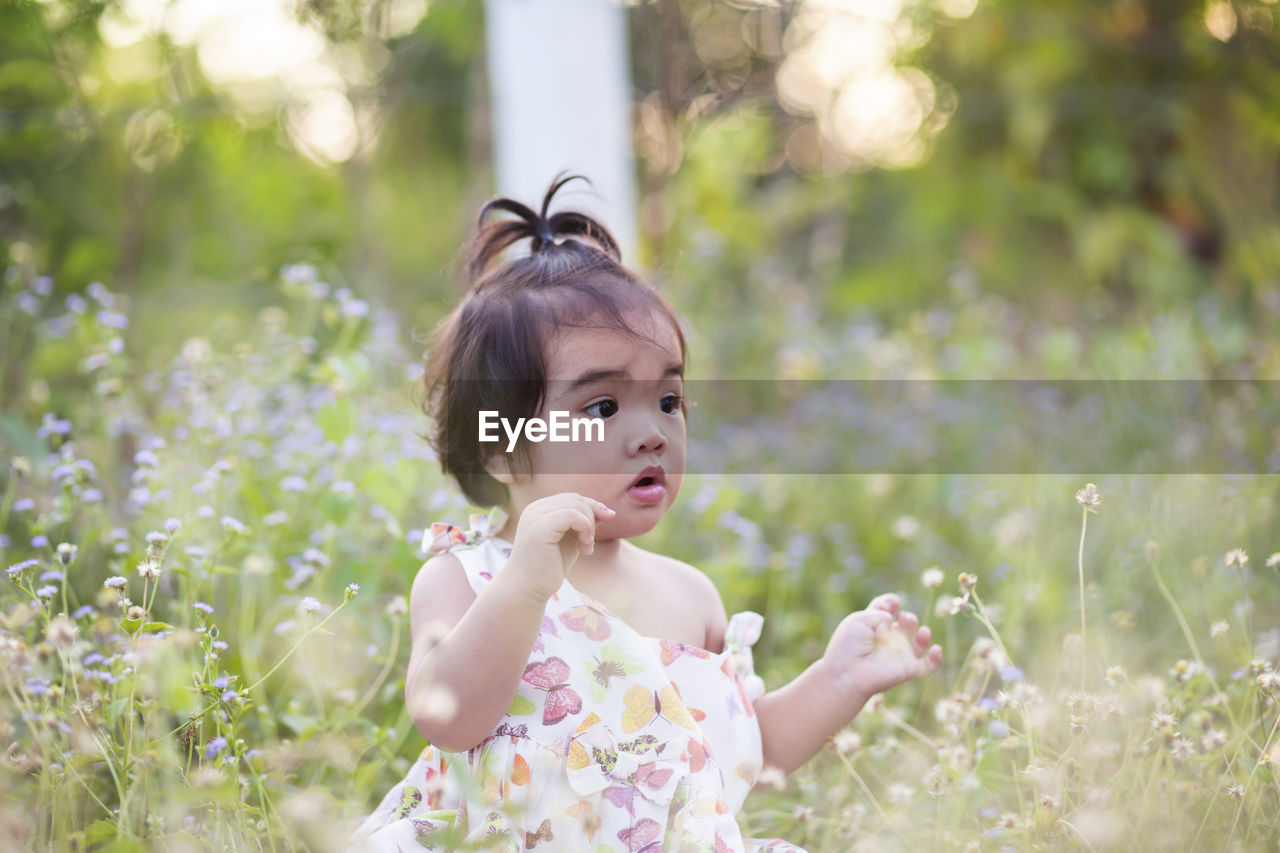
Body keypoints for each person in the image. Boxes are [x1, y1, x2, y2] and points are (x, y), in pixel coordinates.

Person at [347, 175, 942, 852]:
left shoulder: (689, 594)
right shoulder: (468, 577)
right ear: (504, 450)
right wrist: (525, 584)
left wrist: (839, 680)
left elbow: (740, 753)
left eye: (667, 399)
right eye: (602, 406)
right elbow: (445, 716)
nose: (654, 430)